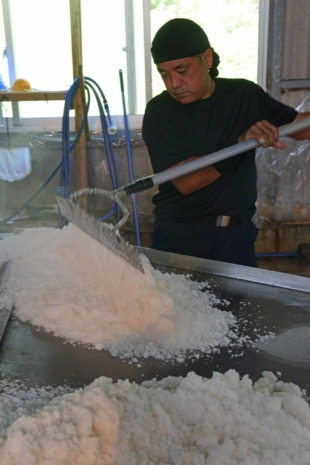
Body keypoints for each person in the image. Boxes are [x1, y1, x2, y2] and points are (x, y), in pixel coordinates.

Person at [142, 18, 310, 267]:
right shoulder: (160, 111)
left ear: (206, 59)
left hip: (236, 237)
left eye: (181, 71)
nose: (174, 85)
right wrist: (241, 142)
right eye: (164, 75)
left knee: (238, 306)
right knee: (175, 307)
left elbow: (299, 127)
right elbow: (187, 181)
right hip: (181, 238)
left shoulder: (243, 95)